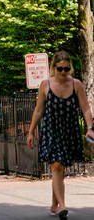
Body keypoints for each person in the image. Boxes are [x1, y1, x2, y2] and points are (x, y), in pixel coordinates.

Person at [27, 51, 94, 219]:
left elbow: (85, 108)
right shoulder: (46, 84)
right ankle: (62, 206)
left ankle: (54, 205)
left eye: (66, 69)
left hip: (69, 130)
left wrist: (90, 128)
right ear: (53, 67)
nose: (63, 72)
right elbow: (38, 110)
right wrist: (30, 132)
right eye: (60, 69)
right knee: (56, 165)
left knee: (61, 168)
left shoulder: (76, 84)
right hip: (51, 130)